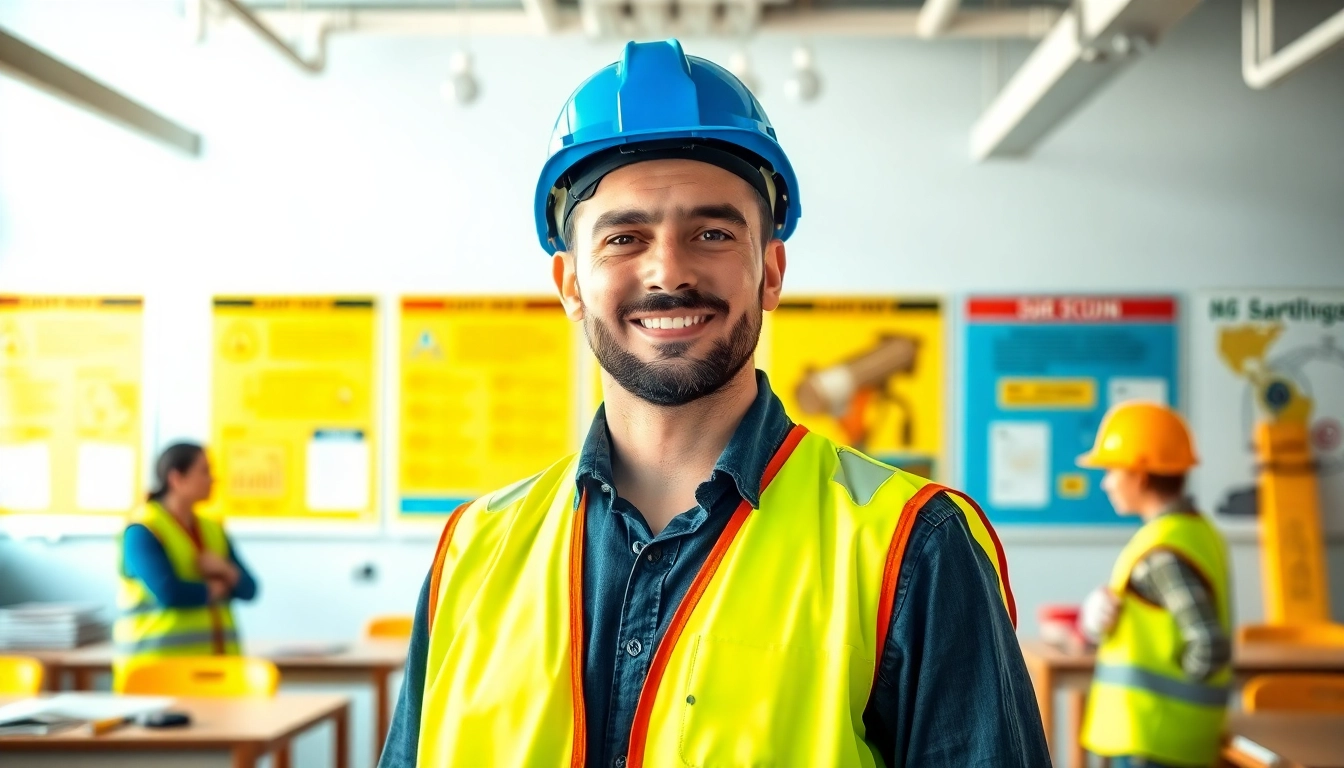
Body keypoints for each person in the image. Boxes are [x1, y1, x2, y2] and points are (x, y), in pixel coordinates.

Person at [380, 40, 1049, 767]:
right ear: (570, 284)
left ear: (770, 271)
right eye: (624, 237)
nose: (669, 272)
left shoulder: (915, 546)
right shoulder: (472, 551)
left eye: (712, 233)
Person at [1077, 402, 1232, 768]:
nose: (1106, 482)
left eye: (1112, 470)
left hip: (1154, 741)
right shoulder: (1194, 532)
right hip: (1160, 740)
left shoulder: (1162, 550)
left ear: (1140, 476)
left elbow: (1209, 646)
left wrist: (1173, 697)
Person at [112, 442, 258, 691]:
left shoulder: (213, 528)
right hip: (156, 670)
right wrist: (217, 588)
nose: (213, 479)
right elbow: (170, 593)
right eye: (205, 471)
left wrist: (224, 570)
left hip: (215, 669)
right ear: (177, 478)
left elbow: (249, 589)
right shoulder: (143, 529)